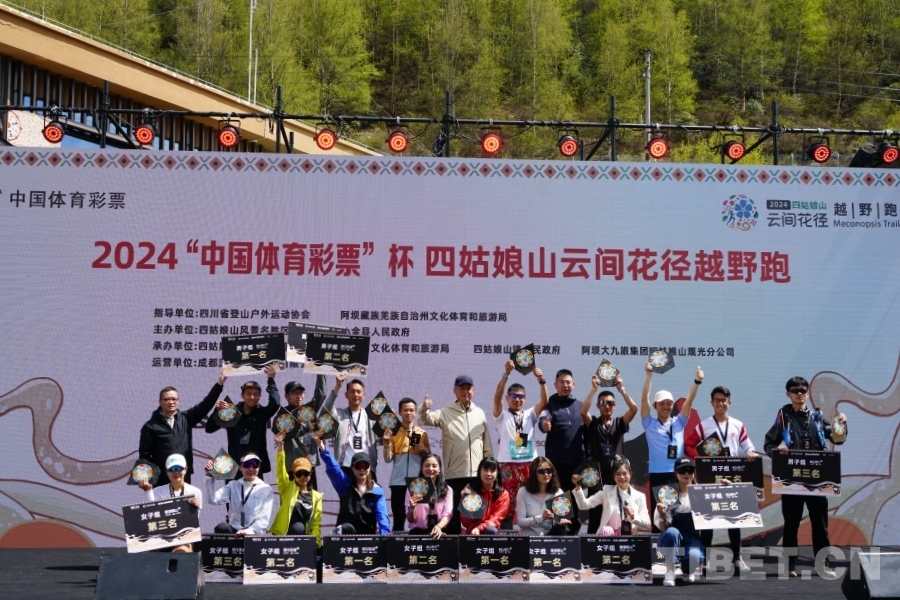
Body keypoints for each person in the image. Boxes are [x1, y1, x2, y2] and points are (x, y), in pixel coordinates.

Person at [764, 376, 848, 578]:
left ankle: (823, 564)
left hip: (817, 478)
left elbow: (837, 438)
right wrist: (778, 449)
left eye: (803, 390)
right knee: (791, 525)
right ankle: (790, 565)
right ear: (788, 394)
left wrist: (841, 424)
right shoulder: (783, 418)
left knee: (820, 525)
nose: (799, 394)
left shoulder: (817, 418)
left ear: (808, 393)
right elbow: (768, 444)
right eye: (795, 390)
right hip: (791, 479)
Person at [684, 385, 759, 572]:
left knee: (734, 517)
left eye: (724, 400)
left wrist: (751, 453)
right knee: (708, 520)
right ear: (712, 403)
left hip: (732, 476)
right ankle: (705, 560)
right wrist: (699, 460)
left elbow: (748, 446)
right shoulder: (704, 425)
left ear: (729, 402)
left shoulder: (738, 425)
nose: (721, 403)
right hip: (710, 476)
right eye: (717, 400)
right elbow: (688, 445)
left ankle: (737, 558)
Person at [418, 375, 494, 534]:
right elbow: (426, 420)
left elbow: (486, 443)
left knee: (473, 515)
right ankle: (453, 548)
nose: (465, 391)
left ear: (473, 390)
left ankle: (472, 547)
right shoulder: (446, 412)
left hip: (476, 474)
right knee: (454, 516)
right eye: (462, 388)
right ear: (455, 391)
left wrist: (489, 467)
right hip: (454, 474)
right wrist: (424, 409)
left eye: (468, 388)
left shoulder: (479, 413)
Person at [139, 369, 227, 484]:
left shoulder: (186, 418)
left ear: (178, 401)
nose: (171, 402)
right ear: (160, 402)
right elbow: (144, 456)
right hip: (162, 478)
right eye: (166, 399)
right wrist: (146, 480)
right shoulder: (150, 426)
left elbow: (205, 404)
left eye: (174, 399)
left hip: (183, 475)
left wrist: (219, 385)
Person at [641, 363, 703, 524]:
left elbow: (689, 402)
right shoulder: (649, 423)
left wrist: (697, 382)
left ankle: (678, 540)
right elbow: (644, 399)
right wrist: (649, 376)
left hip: (678, 474)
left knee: (677, 516)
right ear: (655, 406)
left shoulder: (679, 422)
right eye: (661, 403)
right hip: (657, 474)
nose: (665, 407)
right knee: (659, 518)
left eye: (669, 403)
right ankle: (658, 541)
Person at [492, 360, 549, 528]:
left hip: (529, 464)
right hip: (507, 465)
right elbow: (496, 398)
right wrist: (506, 374)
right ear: (507, 398)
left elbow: (544, 400)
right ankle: (506, 536)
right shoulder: (501, 415)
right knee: (507, 505)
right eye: (514, 396)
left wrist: (541, 380)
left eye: (521, 397)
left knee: (531, 503)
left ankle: (532, 535)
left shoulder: (530, 414)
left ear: (525, 399)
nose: (517, 400)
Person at [580, 372, 638, 533]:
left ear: (615, 406)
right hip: (597, 476)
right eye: (603, 403)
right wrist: (593, 389)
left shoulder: (620, 423)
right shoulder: (593, 423)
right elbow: (583, 412)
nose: (607, 406)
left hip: (616, 474)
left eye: (611, 403)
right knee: (595, 515)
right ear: (598, 405)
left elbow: (634, 409)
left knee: (617, 512)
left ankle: (619, 543)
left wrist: (621, 389)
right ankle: (591, 545)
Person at [205, 364, 281, 479]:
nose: (252, 397)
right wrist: (217, 411)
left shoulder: (262, 413)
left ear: (260, 396)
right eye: (248, 394)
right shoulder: (231, 412)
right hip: (234, 469)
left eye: (255, 394)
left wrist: (271, 380)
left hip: (254, 468)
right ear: (242, 395)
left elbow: (275, 403)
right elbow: (209, 428)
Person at [315, 433, 390, 535]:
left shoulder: (377, 490)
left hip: (367, 536)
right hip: (345, 535)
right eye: (358, 466)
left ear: (369, 468)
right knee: (347, 528)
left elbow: (382, 515)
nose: (362, 469)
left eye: (365, 466)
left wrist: (385, 537)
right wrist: (322, 448)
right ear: (352, 468)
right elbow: (334, 468)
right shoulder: (345, 485)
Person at [137, 453, 202, 553]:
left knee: (182, 551)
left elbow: (193, 525)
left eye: (179, 468)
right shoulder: (157, 491)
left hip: (183, 536)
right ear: (166, 472)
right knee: (153, 546)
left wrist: (195, 510)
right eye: (172, 469)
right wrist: (148, 491)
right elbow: (152, 516)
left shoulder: (195, 492)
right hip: (161, 535)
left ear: (185, 469)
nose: (175, 472)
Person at [572, 456, 650, 536]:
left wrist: (634, 517)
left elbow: (646, 524)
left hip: (630, 538)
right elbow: (584, 505)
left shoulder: (639, 496)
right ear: (613, 476)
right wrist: (577, 486)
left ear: (630, 474)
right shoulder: (606, 491)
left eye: (624, 473)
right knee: (606, 530)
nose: (622, 477)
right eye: (618, 474)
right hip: (608, 538)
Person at [656, 457, 704, 586]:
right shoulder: (667, 493)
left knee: (694, 556)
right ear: (676, 473)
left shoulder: (702, 492)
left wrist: (726, 487)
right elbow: (662, 527)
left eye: (690, 470)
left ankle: (688, 570)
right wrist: (662, 514)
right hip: (671, 537)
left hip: (692, 537)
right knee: (672, 532)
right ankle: (670, 571)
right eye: (682, 471)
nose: (686, 474)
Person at [321, 373, 379, 480]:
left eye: (358, 392)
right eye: (352, 391)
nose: (355, 394)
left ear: (364, 395)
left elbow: (382, 439)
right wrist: (337, 387)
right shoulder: (339, 414)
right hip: (346, 469)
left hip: (367, 469)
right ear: (346, 395)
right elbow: (326, 412)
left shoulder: (371, 417)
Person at [384, 397, 430, 532]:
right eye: (405, 410)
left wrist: (425, 451)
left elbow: (429, 460)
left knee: (419, 520)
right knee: (398, 521)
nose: (408, 413)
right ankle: (397, 545)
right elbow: (388, 459)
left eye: (411, 410)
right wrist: (386, 443)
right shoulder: (393, 433)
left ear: (415, 412)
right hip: (398, 483)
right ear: (399, 412)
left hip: (417, 484)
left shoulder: (422, 434)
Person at [538, 369, 587, 492]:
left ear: (573, 385)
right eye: (561, 382)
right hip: (556, 463)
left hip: (577, 463)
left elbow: (588, 431)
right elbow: (543, 420)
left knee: (576, 498)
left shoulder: (581, 406)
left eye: (568, 382)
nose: (565, 385)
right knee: (558, 499)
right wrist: (544, 425)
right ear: (555, 385)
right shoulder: (549, 405)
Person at [204, 452, 274, 537]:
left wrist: (249, 531)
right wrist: (209, 476)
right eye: (247, 465)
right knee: (222, 527)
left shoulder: (266, 489)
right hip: (235, 531)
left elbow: (263, 518)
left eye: (255, 465)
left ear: (259, 467)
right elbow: (213, 499)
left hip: (255, 532)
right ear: (241, 467)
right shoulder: (233, 485)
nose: (251, 469)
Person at [270, 431, 323, 544]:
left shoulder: (317, 497)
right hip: (285, 537)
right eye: (299, 474)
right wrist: (280, 447)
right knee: (298, 527)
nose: (303, 477)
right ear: (293, 475)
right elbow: (280, 471)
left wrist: (317, 545)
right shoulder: (287, 487)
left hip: (304, 541)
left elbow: (315, 524)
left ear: (311, 474)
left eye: (306, 473)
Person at [280, 375, 327, 490]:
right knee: (291, 501)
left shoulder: (308, 411)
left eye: (301, 393)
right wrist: (306, 426)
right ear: (286, 396)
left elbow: (321, 394)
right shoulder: (283, 415)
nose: (299, 396)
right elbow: (288, 430)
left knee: (311, 499)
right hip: (292, 468)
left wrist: (321, 371)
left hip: (308, 467)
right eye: (295, 393)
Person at [515, 457, 576, 536]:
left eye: (549, 471)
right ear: (534, 473)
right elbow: (520, 522)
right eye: (541, 471)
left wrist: (562, 521)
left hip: (549, 537)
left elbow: (562, 518)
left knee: (561, 529)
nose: (546, 474)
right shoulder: (523, 491)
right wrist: (541, 518)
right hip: (527, 537)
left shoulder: (558, 492)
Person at [405, 453, 452, 538]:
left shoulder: (447, 490)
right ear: (421, 469)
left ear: (439, 469)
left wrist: (438, 527)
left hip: (439, 533)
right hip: (417, 533)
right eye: (427, 465)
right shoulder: (413, 488)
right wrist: (412, 508)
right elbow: (410, 519)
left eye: (434, 466)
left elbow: (447, 514)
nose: (430, 469)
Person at [460, 457, 509, 535]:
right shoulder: (471, 492)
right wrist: (465, 502)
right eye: (485, 470)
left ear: (497, 473)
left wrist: (479, 528)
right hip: (473, 533)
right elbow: (465, 523)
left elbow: (496, 519)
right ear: (480, 472)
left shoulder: (503, 494)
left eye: (492, 471)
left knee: (490, 530)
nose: (488, 474)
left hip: (491, 532)